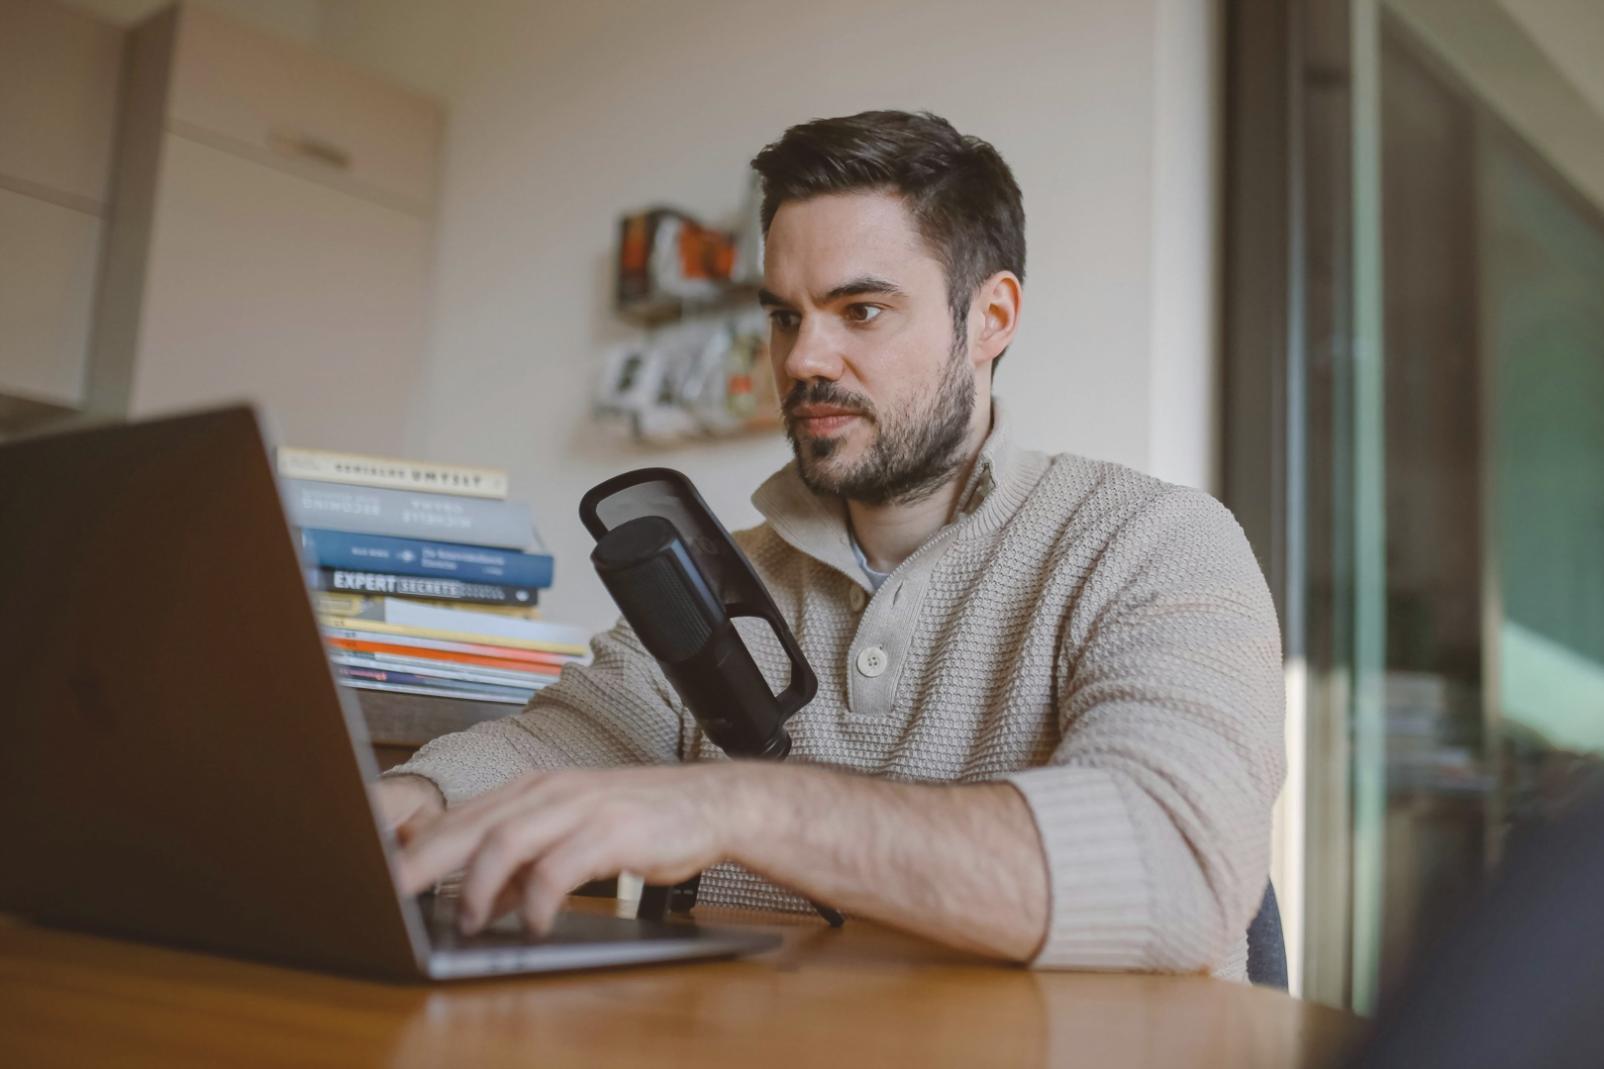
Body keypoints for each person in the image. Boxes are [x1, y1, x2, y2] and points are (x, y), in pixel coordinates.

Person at [380, 110, 1285, 978]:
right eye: (783, 316)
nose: (804, 358)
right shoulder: (719, 573)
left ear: (992, 317)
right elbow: (575, 737)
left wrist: (735, 805)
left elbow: (1174, 868)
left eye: (860, 311)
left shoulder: (1157, 543)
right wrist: (416, 804)